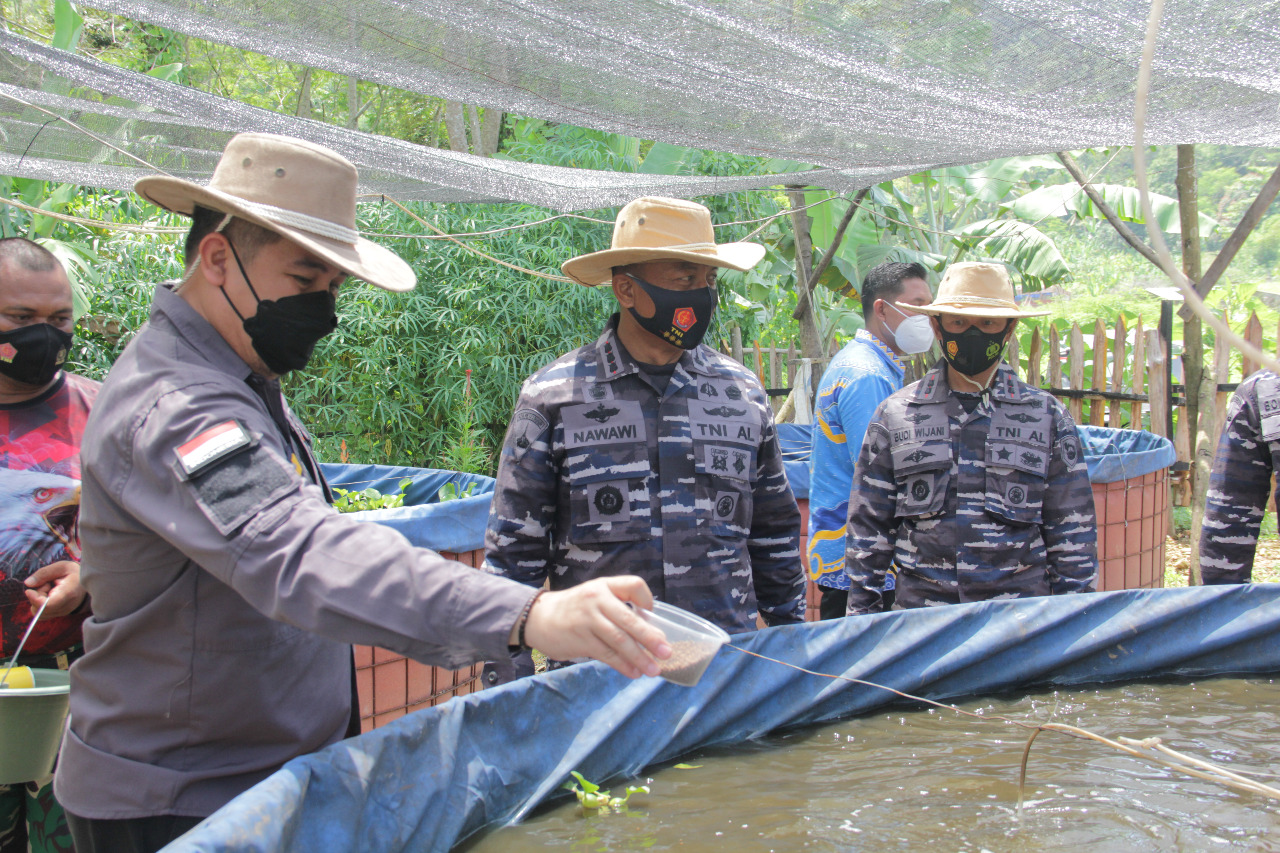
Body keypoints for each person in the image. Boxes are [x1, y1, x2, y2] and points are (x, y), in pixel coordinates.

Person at [55, 133, 671, 853]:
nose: (322, 308)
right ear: (217, 259)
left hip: (256, 776)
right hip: (182, 800)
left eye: (333, 288)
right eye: (304, 278)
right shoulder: (182, 408)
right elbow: (301, 551)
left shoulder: (240, 379)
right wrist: (529, 611)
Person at [484, 196, 805, 668]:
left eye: (709, 280)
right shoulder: (554, 396)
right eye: (683, 278)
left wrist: (794, 654)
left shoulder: (741, 393)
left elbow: (773, 533)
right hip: (597, 677)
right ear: (626, 290)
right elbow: (514, 553)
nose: (701, 293)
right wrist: (507, 687)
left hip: (719, 669)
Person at [844, 261, 1097, 615]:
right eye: (959, 323)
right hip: (923, 622)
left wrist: (1073, 622)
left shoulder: (1046, 416)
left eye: (988, 323)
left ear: (1008, 331)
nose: (973, 334)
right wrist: (861, 622)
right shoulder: (895, 415)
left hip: (1019, 623)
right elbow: (868, 530)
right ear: (937, 325)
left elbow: (1072, 534)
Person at [0, 238, 93, 853]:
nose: (46, 336)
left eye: (58, 320)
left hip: (70, 696)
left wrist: (94, 573)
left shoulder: (105, 410)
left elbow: (161, 535)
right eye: (21, 321)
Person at [807, 261, 933, 620]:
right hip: (866, 567)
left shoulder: (863, 364)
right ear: (882, 309)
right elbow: (883, 474)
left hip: (851, 557)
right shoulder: (868, 376)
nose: (928, 317)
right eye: (918, 306)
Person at [1200, 369, 1280, 583]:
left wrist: (1223, 603)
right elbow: (1231, 509)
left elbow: (1229, 512)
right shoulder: (1265, 389)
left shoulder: (1265, 386)